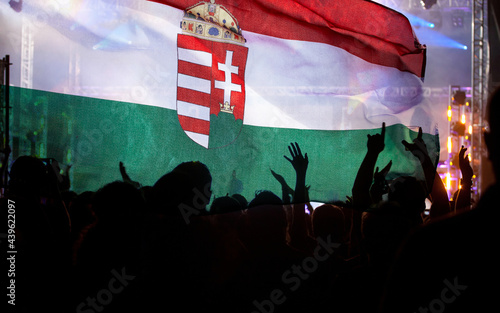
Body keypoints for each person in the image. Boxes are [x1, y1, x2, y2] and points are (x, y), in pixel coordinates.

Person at [378, 87, 500, 313]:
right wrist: (428, 163)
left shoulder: (429, 243)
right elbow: (444, 206)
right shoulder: (456, 237)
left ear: (488, 143)